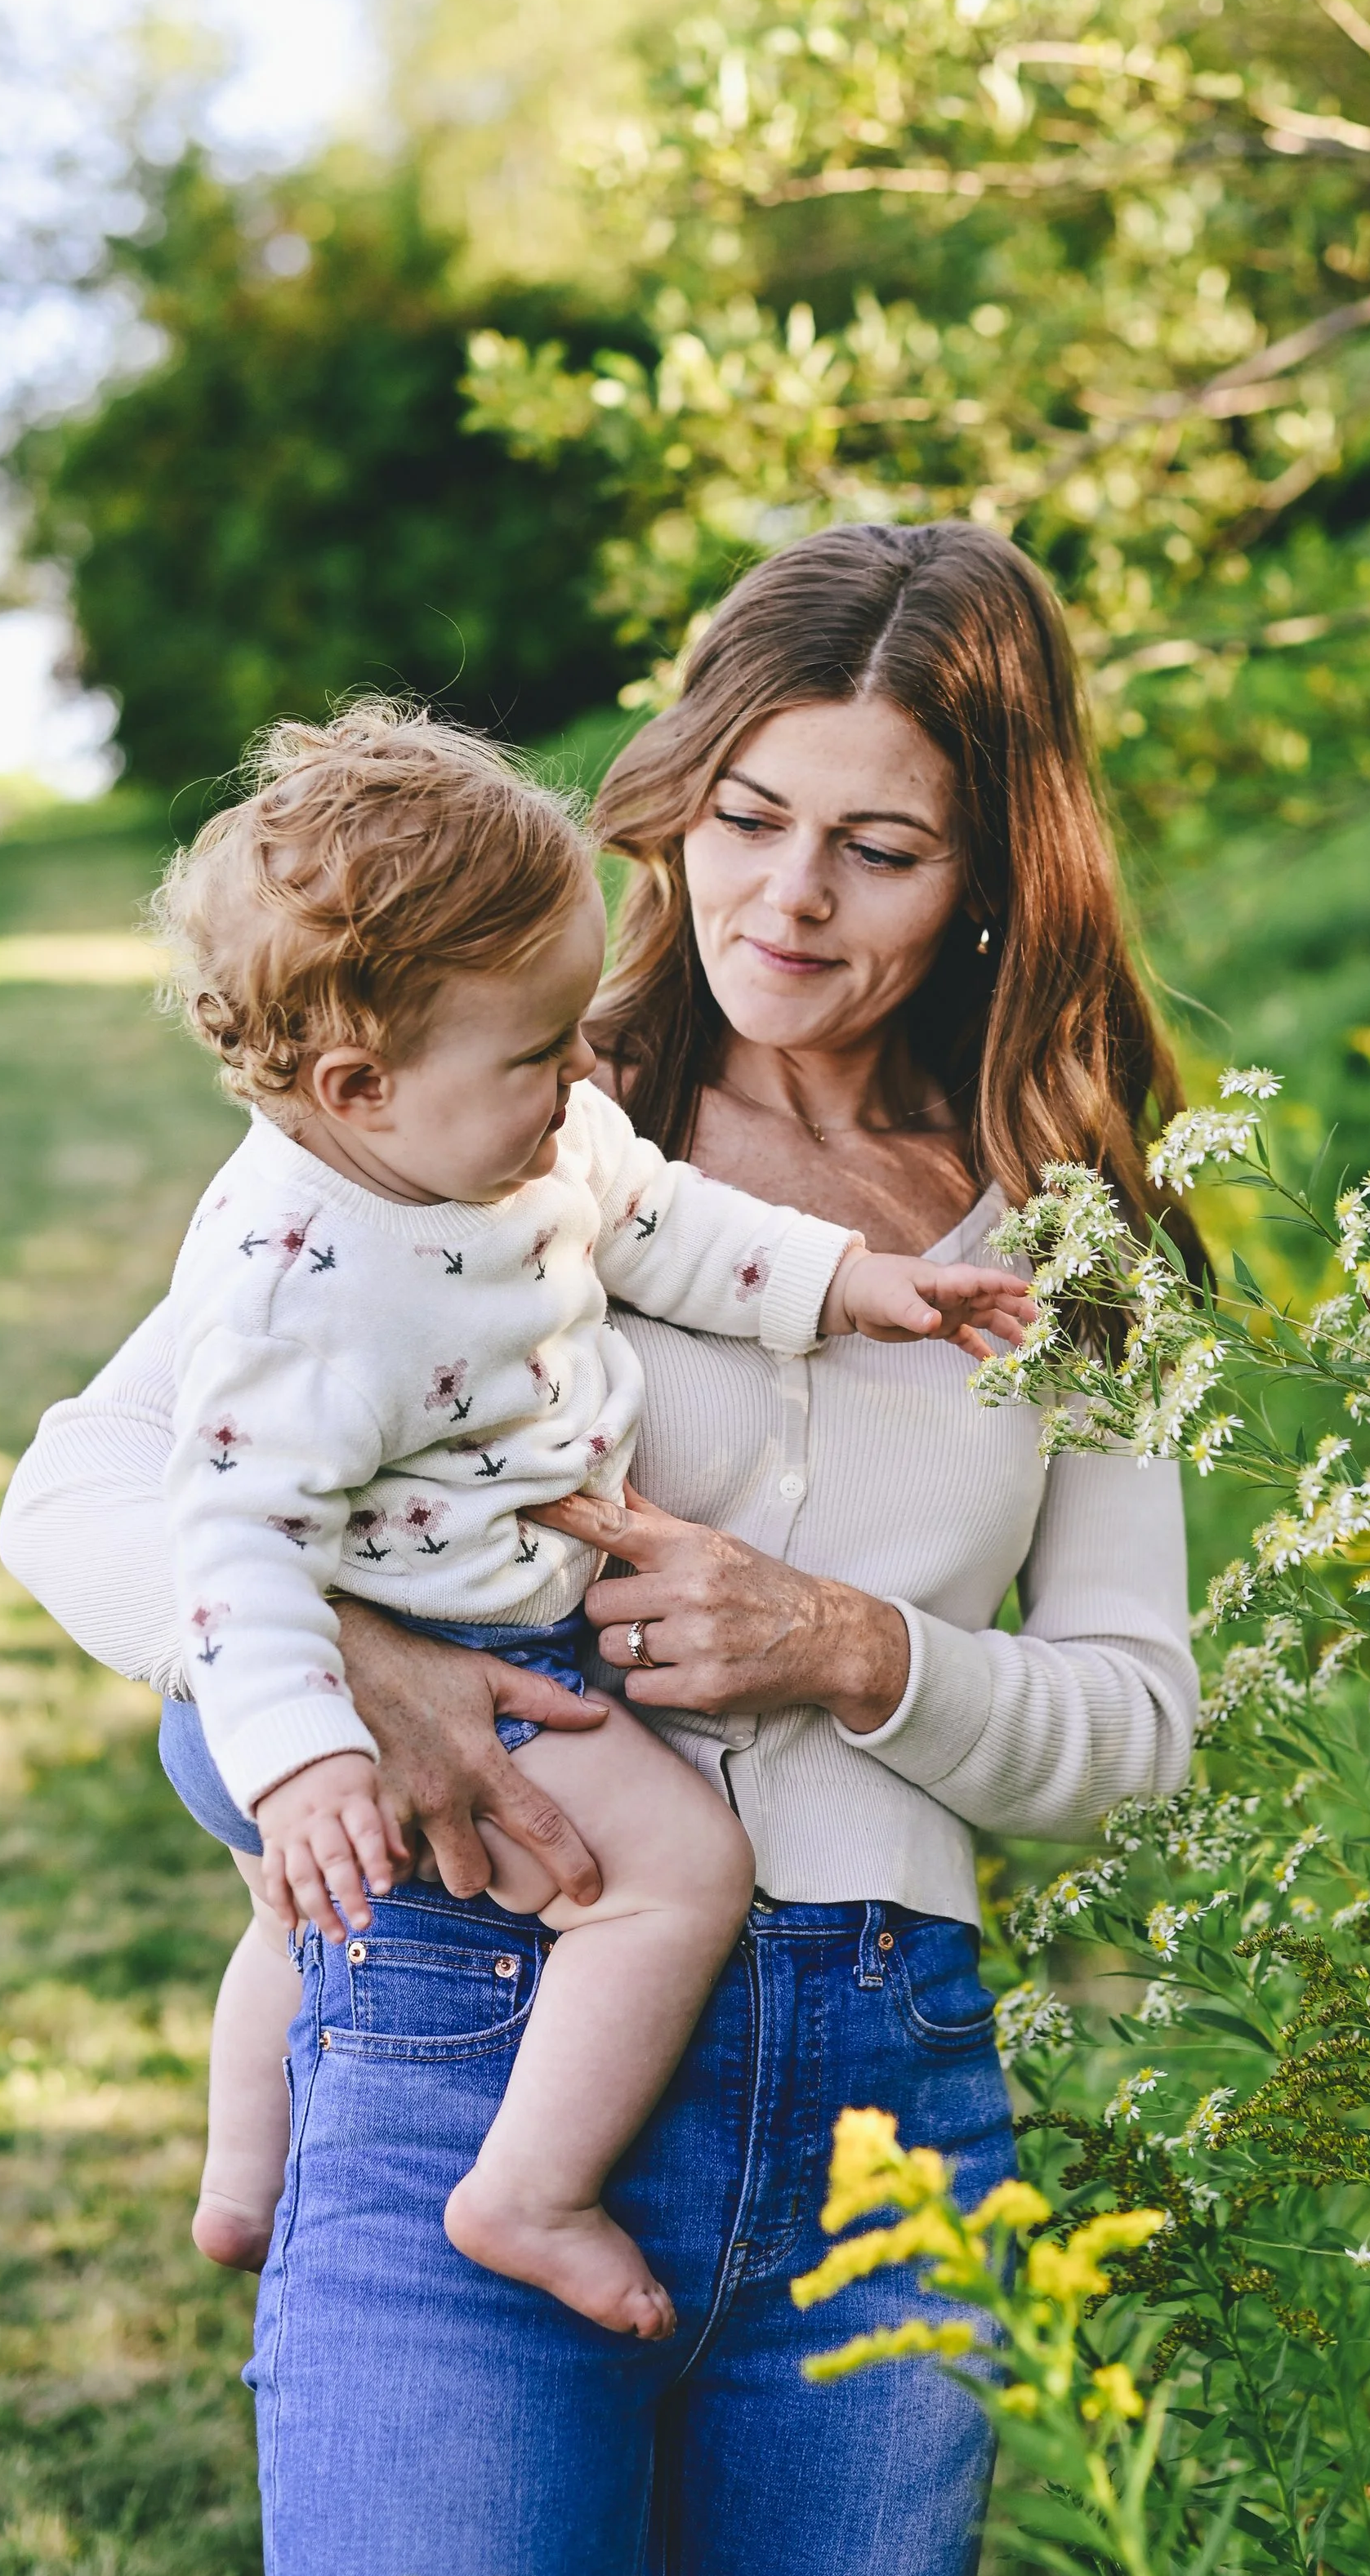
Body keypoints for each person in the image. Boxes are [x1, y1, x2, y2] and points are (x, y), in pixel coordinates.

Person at [0, 519, 1203, 2576]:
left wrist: (847, 1646)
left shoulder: (1073, 1238)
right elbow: (85, 1490)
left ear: (1000, 873)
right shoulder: (479, 1092)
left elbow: (1131, 1720)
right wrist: (382, 1680)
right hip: (474, 2021)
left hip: (878, 2113)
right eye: (743, 816)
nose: (784, 901)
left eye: (878, 849)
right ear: (674, 795)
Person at [147, 702, 1029, 2329]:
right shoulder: (301, 1289)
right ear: (356, 1081)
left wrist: (858, 1286)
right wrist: (317, 1750)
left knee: (305, 1901)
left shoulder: (492, 1148)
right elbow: (225, 1537)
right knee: (673, 1870)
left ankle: (239, 2179)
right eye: (541, 1057)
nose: (581, 1082)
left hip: (358, 1671)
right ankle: (526, 2193)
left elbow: (669, 1221)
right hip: (343, 1676)